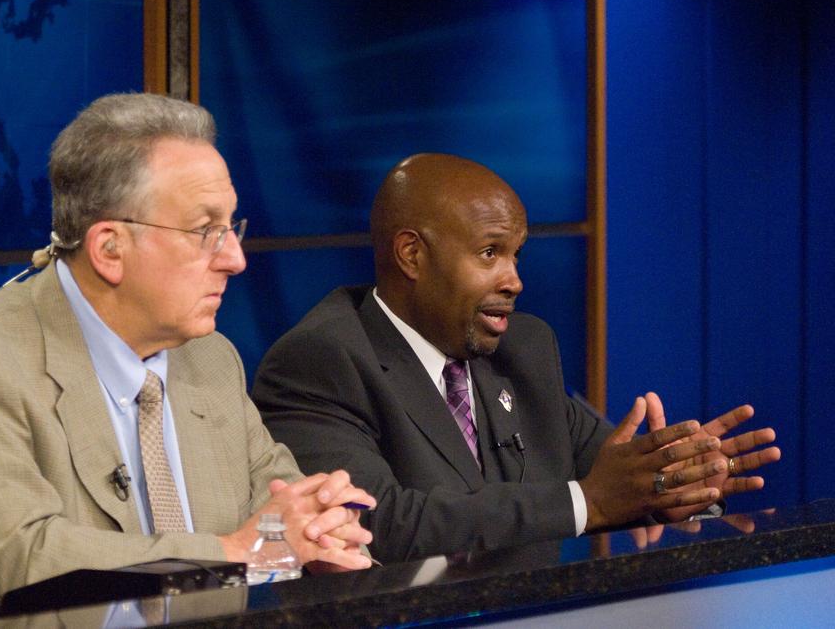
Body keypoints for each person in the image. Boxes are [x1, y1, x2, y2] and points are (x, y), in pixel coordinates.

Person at [0, 94, 374, 627]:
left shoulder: (209, 358)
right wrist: (241, 553)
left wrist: (323, 534)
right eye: (206, 232)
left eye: (232, 228)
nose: (235, 259)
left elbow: (282, 502)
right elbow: (28, 564)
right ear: (109, 248)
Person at [251, 153, 780, 563]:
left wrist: (671, 483)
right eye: (490, 253)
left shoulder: (523, 350)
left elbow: (615, 477)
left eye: (516, 254)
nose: (515, 281)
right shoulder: (322, 360)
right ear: (412, 255)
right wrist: (590, 504)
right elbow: (376, 524)